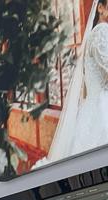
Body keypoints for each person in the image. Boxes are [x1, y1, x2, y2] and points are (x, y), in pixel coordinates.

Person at [45, 0, 108, 162]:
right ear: (100, 8)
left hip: (93, 108)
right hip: (101, 110)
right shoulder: (102, 31)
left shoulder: (96, 32)